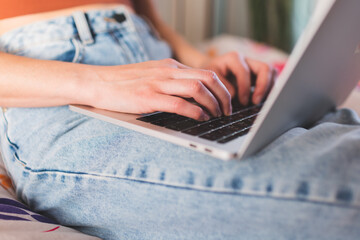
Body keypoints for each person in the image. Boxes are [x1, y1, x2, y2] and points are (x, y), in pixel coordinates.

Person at [0, 1, 359, 240]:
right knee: (332, 182)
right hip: (53, 84)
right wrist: (101, 83)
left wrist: (196, 60)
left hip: (154, 57)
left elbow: (137, 10)